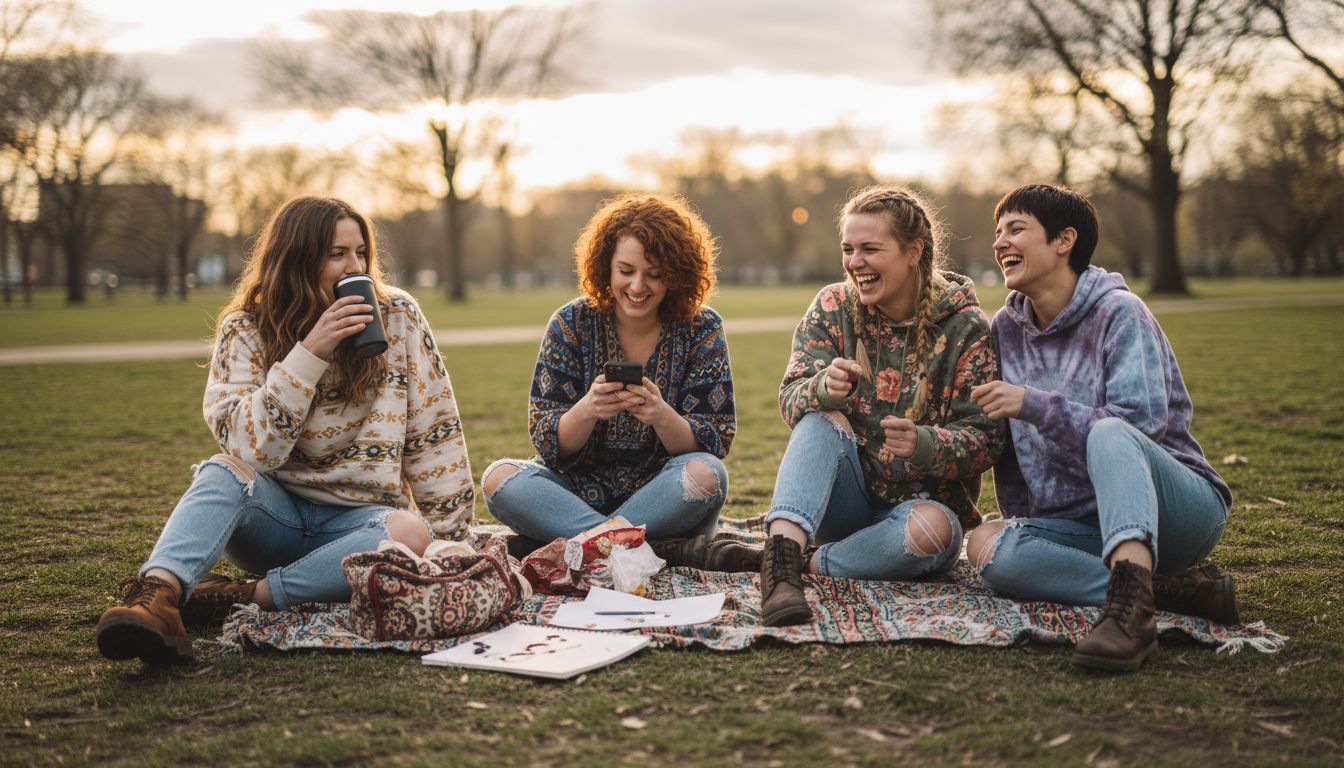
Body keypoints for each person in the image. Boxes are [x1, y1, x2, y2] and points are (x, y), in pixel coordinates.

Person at [96, 196, 474, 663]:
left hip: (360, 527)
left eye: (361, 253)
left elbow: (434, 433)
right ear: (297, 259)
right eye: (337, 254)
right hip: (273, 521)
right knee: (220, 471)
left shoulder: (398, 317)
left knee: (410, 533)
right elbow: (250, 451)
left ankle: (247, 596)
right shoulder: (245, 329)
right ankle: (157, 598)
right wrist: (309, 353)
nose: (354, 266)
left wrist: (453, 539)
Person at [968, 184, 1236, 673]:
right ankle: (1161, 591)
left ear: (1064, 240)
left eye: (1016, 229)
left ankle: (1131, 620)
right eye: (998, 231)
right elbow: (1008, 445)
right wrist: (1021, 521)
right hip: (1084, 525)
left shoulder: (1120, 313)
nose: (1000, 242)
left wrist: (1035, 404)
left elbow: (1140, 426)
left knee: (1109, 433)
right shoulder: (1004, 330)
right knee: (987, 546)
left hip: (1175, 511)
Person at [714, 185, 1005, 627]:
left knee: (936, 533)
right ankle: (780, 572)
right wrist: (823, 389)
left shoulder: (964, 327)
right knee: (820, 419)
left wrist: (926, 443)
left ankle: (809, 563)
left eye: (871, 248)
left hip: (916, 514)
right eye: (848, 249)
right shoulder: (834, 306)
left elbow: (988, 439)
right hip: (843, 503)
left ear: (914, 251)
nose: (855, 262)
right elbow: (791, 399)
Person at [481, 193, 735, 551]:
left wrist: (661, 415)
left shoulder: (702, 327)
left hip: (661, 495)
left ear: (677, 275)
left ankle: (583, 544)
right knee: (499, 478)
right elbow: (546, 440)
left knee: (707, 476)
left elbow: (714, 440)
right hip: (574, 494)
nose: (637, 287)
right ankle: (632, 546)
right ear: (605, 267)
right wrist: (588, 409)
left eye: (654, 275)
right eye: (626, 271)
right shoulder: (570, 323)